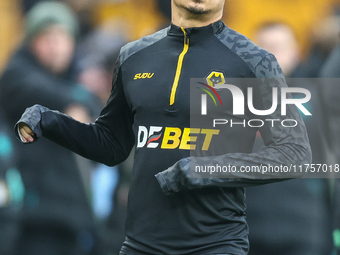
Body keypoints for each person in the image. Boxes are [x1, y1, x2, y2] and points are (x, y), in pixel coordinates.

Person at [16, 0, 311, 254]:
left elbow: (295, 154)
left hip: (216, 243)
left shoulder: (254, 62)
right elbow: (111, 145)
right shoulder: (133, 57)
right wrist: (48, 120)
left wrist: (202, 169)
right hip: (141, 244)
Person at [0, 2, 102, 255]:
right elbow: (28, 87)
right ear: (31, 41)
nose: (55, 46)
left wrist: (76, 101)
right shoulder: (17, 75)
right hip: (31, 221)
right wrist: (69, 104)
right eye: (47, 37)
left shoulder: (75, 84)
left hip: (74, 221)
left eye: (62, 37)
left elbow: (96, 110)